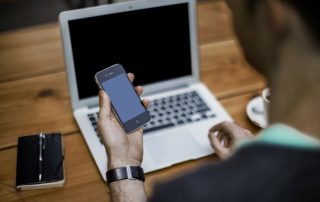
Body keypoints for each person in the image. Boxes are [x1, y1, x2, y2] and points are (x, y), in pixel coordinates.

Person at [98, 0, 320, 201]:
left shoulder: (192, 194)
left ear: (272, 17)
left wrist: (123, 163)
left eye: (233, 7)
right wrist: (256, 156)